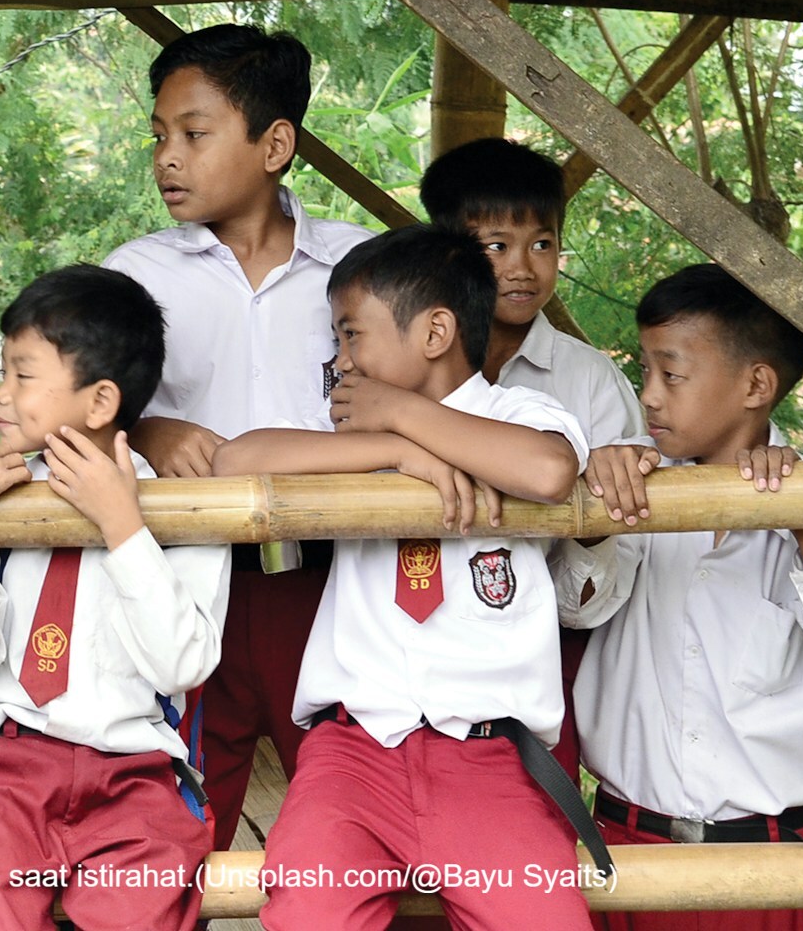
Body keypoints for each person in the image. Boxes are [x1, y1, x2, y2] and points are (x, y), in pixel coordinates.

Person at [213, 226, 599, 931]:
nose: (341, 361)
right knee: (307, 915)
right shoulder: (346, 436)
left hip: (492, 759)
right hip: (350, 755)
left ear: (434, 333)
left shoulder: (521, 415)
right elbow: (235, 460)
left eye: (351, 335)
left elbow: (547, 472)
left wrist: (405, 414)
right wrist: (393, 446)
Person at [552, 265, 803, 931]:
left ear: (756, 384)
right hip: (625, 851)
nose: (649, 398)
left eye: (671, 374)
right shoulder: (635, 493)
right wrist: (596, 515)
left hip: (778, 867)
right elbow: (578, 608)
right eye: (645, 373)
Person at [104, 22, 372, 848]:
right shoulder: (133, 275)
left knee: (356, 824)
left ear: (275, 143)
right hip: (188, 586)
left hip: (335, 588)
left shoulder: (360, 271)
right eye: (158, 137)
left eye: (193, 133)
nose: (166, 159)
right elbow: (77, 414)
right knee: (181, 828)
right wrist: (147, 430)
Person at [0, 265, 229, 930]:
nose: (0, 396)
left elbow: (181, 667)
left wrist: (123, 528)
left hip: (134, 773)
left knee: (142, 901)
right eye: (3, 374)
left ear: (99, 401)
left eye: (23, 376)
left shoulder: (184, 507)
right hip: (3, 762)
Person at [420, 136, 654, 790]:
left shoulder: (591, 382)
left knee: (531, 841)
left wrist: (591, 521)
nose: (523, 267)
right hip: (407, 661)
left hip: (542, 667)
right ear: (448, 251)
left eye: (542, 243)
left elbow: (607, 592)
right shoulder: (402, 369)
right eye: (496, 245)